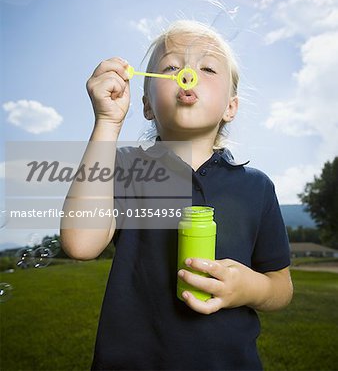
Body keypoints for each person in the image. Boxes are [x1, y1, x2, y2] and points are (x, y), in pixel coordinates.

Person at [60, 20, 293, 371]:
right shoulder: (124, 167)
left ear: (231, 107)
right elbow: (80, 244)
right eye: (170, 67)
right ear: (147, 105)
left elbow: (281, 287)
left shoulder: (257, 187)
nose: (188, 74)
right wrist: (107, 123)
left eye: (208, 68)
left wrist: (248, 289)